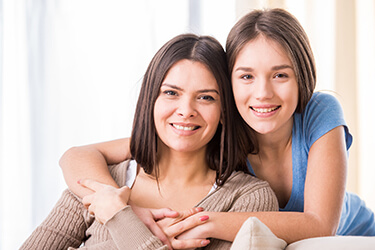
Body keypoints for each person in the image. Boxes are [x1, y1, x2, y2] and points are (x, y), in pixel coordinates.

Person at [58, 8, 375, 245]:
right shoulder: (217, 122)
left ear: (301, 77)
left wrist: (204, 221)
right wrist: (120, 204)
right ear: (228, 85)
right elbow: (78, 155)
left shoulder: (319, 111)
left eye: (280, 75)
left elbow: (321, 225)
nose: (262, 92)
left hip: (356, 235)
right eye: (246, 76)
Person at [20, 34, 278, 250]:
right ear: (150, 101)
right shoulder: (102, 184)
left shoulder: (248, 199)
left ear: (224, 111)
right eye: (171, 93)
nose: (186, 110)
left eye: (206, 98)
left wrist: (119, 217)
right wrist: (120, 212)